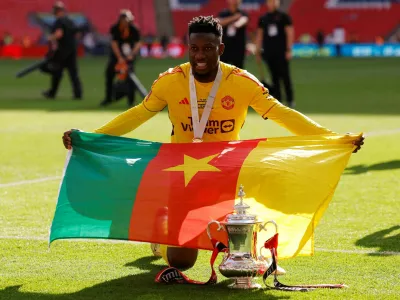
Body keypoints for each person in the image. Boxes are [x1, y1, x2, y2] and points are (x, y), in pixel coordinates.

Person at [62, 16, 364, 271]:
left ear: (220, 48)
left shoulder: (242, 83)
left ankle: (242, 246)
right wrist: (92, 137)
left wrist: (329, 138)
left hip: (226, 173)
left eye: (208, 48)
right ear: (187, 48)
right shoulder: (170, 81)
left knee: (235, 248)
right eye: (194, 48)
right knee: (181, 262)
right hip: (180, 173)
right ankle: (162, 234)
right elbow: (139, 114)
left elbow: (282, 115)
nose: (200, 56)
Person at [256, 0, 294, 108]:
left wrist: (289, 49)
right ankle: (278, 100)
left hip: (281, 52)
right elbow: (260, 35)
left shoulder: (284, 17)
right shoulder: (263, 18)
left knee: (285, 76)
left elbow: (289, 33)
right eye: (270, 2)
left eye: (274, 1)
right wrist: (258, 51)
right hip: (269, 52)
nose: (272, 4)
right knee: (274, 77)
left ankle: (290, 99)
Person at [100, 10, 142, 107]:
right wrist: (119, 57)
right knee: (109, 74)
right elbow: (114, 44)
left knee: (130, 78)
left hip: (129, 57)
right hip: (116, 57)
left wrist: (131, 55)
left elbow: (137, 44)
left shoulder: (134, 29)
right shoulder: (115, 28)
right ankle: (108, 98)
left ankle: (131, 101)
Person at [43, 1, 82, 100]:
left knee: (55, 71)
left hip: (62, 51)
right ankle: (78, 94)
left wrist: (50, 38)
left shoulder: (59, 21)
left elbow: (59, 34)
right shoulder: (70, 21)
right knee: (73, 73)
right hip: (72, 50)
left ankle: (52, 93)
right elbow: (77, 34)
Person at [217, 0, 249, 68]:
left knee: (238, 70)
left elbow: (243, 21)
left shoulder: (243, 13)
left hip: (238, 47)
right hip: (225, 47)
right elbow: (218, 22)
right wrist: (234, 18)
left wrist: (236, 23)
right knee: (223, 69)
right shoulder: (223, 13)